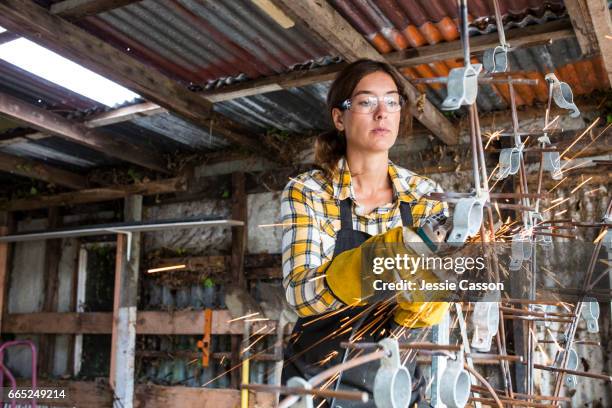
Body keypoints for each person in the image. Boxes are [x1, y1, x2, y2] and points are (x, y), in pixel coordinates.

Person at [280, 59, 450, 407]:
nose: (382, 113)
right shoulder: (310, 191)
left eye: (391, 101)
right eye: (366, 101)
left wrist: (428, 300)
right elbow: (300, 293)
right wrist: (375, 262)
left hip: (395, 380)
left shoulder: (425, 195)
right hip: (318, 381)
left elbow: (435, 290)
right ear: (339, 118)